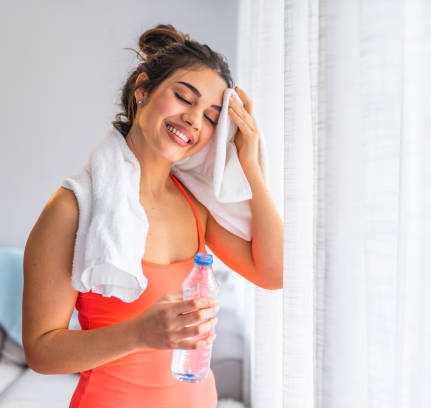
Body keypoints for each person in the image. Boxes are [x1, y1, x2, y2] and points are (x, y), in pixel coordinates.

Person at [21, 24, 283, 408]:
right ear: (142, 89)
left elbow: (274, 273)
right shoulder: (72, 208)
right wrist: (139, 334)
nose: (194, 119)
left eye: (212, 117)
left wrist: (250, 164)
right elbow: (41, 352)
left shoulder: (197, 207)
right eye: (183, 97)